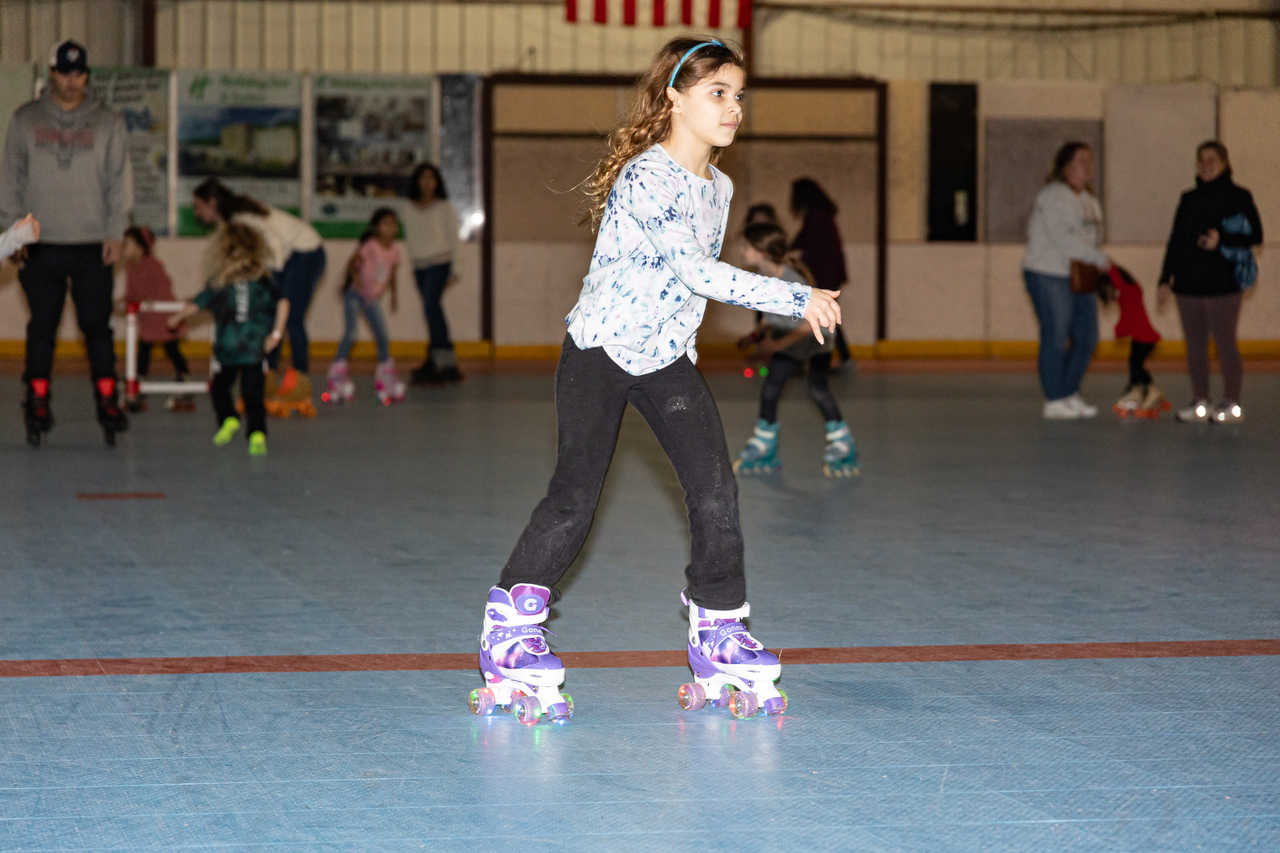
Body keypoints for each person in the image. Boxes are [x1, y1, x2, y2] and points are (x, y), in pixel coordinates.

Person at [465, 37, 842, 726]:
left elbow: (688, 290)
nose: (733, 107)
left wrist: (688, 342)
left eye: (738, 95)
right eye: (717, 93)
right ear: (675, 98)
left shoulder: (720, 188)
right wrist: (796, 296)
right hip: (599, 349)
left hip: (667, 357)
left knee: (715, 489)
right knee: (574, 498)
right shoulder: (645, 176)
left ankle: (718, 628)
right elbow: (696, 270)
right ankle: (509, 630)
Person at [1, 40, 132, 445]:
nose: (72, 81)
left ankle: (108, 398)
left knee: (96, 325)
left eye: (79, 74)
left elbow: (120, 181)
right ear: (52, 74)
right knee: (43, 325)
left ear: (86, 75)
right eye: (64, 73)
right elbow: (11, 179)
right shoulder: (25, 120)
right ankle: (37, 398)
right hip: (40, 241)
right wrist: (13, 233)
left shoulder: (108, 122)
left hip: (92, 242)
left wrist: (116, 232)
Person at [733, 221, 857, 477]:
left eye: (745, 246)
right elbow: (771, 315)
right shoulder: (764, 278)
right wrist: (754, 336)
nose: (741, 250)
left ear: (762, 251)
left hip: (817, 338)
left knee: (817, 389)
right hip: (792, 339)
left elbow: (808, 325)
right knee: (770, 389)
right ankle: (764, 442)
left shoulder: (791, 280)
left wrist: (776, 345)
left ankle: (842, 442)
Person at [191, 178, 325, 413]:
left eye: (198, 206)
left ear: (212, 202)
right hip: (289, 258)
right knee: (269, 318)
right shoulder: (233, 221)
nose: (196, 213)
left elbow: (276, 243)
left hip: (305, 252)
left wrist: (271, 279)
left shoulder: (243, 218)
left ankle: (300, 382)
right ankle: (267, 379)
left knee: (291, 317)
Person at [1157, 141, 1263, 424]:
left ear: (1225, 163)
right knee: (1195, 346)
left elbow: (1256, 235)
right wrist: (1165, 279)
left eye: (1212, 159)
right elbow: (1176, 240)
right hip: (1188, 284)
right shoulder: (1188, 198)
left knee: (1225, 343)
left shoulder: (1239, 196)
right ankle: (1200, 401)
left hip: (1224, 284)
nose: (1206, 165)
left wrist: (1222, 240)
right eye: (1201, 159)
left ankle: (1232, 403)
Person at [167, 222, 288, 457]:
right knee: (251, 393)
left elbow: (198, 303)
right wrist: (276, 333)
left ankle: (233, 420)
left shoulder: (222, 282)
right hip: (250, 349)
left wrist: (178, 317)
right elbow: (283, 302)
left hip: (233, 348)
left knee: (222, 387)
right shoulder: (258, 281)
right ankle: (254, 431)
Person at [1022, 141, 1110, 420]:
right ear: (1066, 167)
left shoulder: (1090, 202)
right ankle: (1054, 399)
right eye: (1082, 161)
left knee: (1087, 336)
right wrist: (1098, 258)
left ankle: (1069, 392)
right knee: (1056, 335)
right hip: (1048, 273)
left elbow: (1091, 238)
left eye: (1090, 160)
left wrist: (1096, 268)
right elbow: (1063, 239)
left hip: (1078, 276)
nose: (1088, 166)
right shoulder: (1053, 196)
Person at [325, 208, 406, 405]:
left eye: (393, 224)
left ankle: (385, 375)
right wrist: (355, 279)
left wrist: (394, 294)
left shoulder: (395, 251)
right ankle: (337, 374)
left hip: (371, 298)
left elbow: (392, 273)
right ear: (376, 227)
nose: (390, 228)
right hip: (354, 294)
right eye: (386, 223)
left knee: (382, 335)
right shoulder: (370, 246)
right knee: (351, 333)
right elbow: (353, 262)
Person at [119, 226, 193, 413]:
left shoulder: (152, 264)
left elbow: (164, 284)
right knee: (144, 348)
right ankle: (139, 379)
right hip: (148, 316)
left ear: (139, 247)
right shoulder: (130, 266)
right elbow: (132, 290)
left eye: (127, 243)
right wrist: (123, 300)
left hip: (163, 314)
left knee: (171, 347)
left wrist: (155, 300)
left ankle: (184, 376)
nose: (123, 247)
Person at [403, 162, 462, 384]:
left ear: (437, 182)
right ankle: (443, 360)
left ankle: (441, 360)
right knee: (431, 310)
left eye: (431, 178)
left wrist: (456, 269)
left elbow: (454, 238)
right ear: (416, 181)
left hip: (440, 262)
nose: (427, 182)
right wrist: (411, 265)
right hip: (419, 266)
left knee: (430, 306)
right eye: (423, 178)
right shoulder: (408, 207)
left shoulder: (444, 207)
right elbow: (410, 238)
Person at [790, 178, 852, 366]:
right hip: (829, 275)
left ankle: (826, 361)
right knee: (826, 316)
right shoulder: (822, 215)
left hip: (825, 276)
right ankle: (840, 359)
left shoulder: (816, 217)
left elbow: (807, 245)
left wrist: (791, 254)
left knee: (823, 317)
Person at [1102, 265, 1167, 418]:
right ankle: (1136, 390)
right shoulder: (1132, 289)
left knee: (1135, 364)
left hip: (1143, 336)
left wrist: (1107, 266)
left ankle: (1146, 389)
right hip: (1140, 336)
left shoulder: (1126, 290)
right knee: (1134, 363)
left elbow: (1117, 280)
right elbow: (1127, 316)